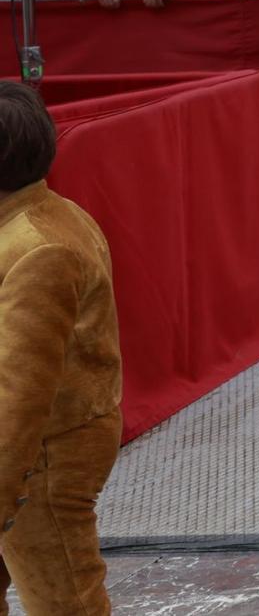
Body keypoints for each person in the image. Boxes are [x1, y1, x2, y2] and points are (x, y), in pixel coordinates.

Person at [0, 83, 122, 616]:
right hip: (32, 449)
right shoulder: (44, 214)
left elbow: (20, 392)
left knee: (63, 598)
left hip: (40, 455)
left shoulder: (37, 246)